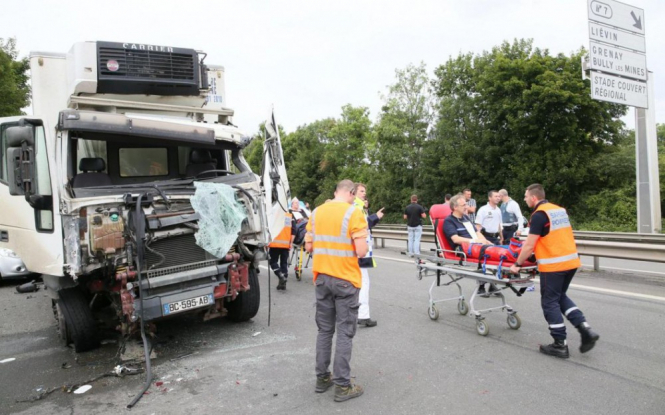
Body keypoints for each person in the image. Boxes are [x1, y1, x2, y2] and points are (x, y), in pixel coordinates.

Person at [509, 184, 599, 358]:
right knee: (560, 297)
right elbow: (552, 237)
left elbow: (529, 244)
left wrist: (518, 264)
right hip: (571, 262)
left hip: (554, 265)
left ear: (534, 198)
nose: (525, 199)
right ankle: (585, 330)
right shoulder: (558, 210)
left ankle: (559, 344)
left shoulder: (539, 215)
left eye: (526, 196)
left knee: (549, 301)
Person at [305, 179, 368, 402]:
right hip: (345, 280)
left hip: (322, 277)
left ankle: (322, 378)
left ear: (335, 192)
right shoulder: (354, 213)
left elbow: (309, 246)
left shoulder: (316, 212)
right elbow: (361, 252)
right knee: (344, 332)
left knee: (324, 331)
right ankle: (342, 385)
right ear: (351, 193)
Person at [443, 194, 498, 296]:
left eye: (466, 204)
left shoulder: (466, 218)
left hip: (475, 245)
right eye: (463, 205)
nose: (466, 207)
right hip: (462, 248)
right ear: (455, 207)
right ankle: (484, 284)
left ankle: (492, 281)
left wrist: (485, 241)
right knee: (489, 253)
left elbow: (477, 232)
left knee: (494, 248)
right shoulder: (449, 221)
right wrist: (474, 241)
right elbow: (455, 239)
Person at [353, 183, 384, 328]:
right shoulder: (356, 207)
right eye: (361, 191)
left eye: (365, 191)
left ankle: (358, 313)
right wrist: (375, 217)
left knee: (359, 282)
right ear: (354, 192)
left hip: (359, 249)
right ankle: (363, 315)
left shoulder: (358, 207)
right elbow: (363, 225)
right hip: (360, 251)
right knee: (363, 282)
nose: (364, 193)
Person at [269, 207, 297, 290]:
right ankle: (283, 284)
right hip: (285, 244)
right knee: (284, 263)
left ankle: (280, 275)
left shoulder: (272, 215)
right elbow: (293, 231)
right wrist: (291, 243)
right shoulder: (290, 216)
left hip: (274, 243)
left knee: (273, 262)